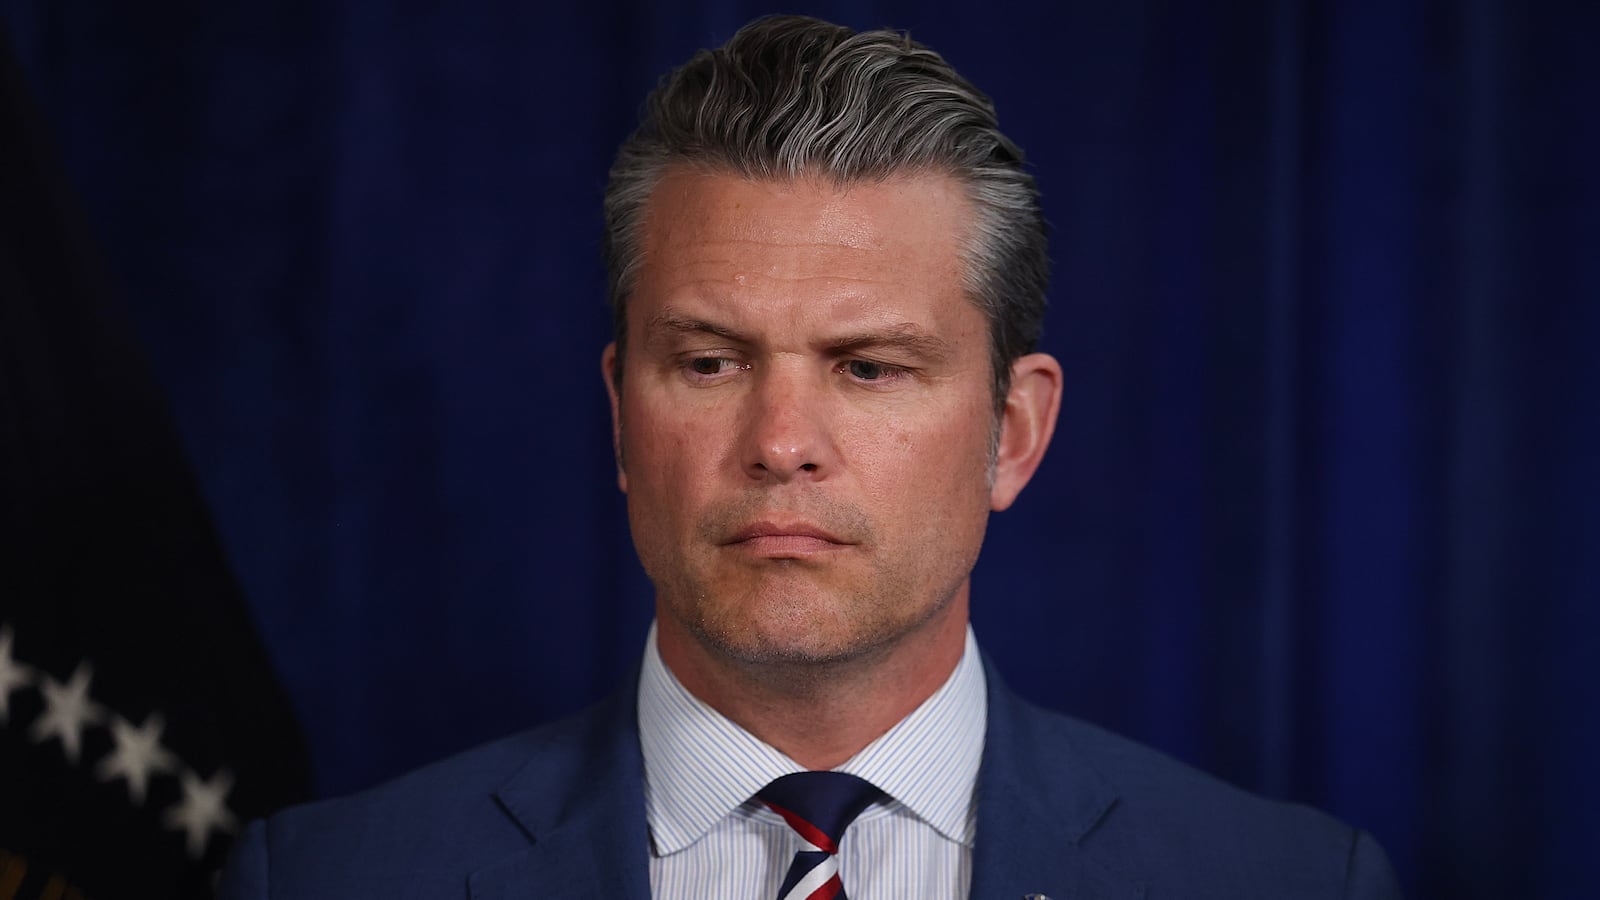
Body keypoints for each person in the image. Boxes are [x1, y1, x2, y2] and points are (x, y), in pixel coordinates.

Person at [220, 15, 1404, 899]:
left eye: (868, 367)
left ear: (1013, 433)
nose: (781, 444)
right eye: (709, 362)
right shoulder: (325, 880)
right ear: (620, 419)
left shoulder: (1290, 882)